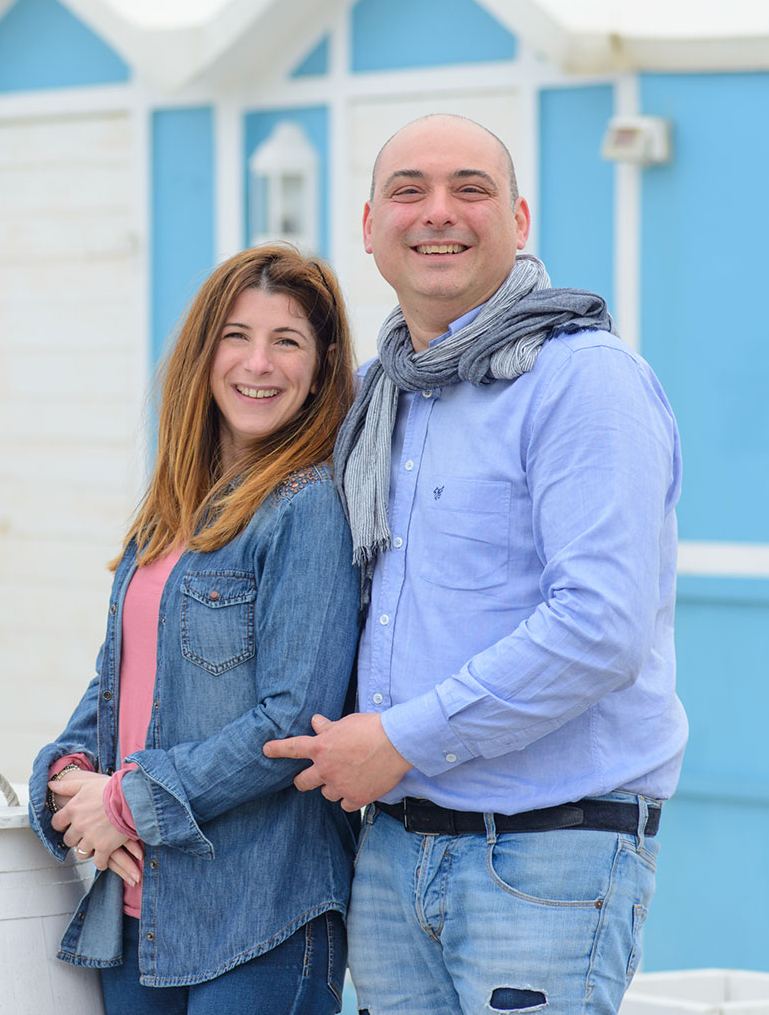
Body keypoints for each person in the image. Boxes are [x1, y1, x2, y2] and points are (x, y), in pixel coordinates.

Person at [265, 114, 687, 1015]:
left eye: (470, 188)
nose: (438, 213)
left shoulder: (583, 382)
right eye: (408, 191)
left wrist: (399, 740)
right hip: (393, 849)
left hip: (544, 852)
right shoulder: (383, 400)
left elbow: (599, 628)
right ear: (369, 225)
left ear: (521, 219)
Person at [28, 244, 363, 1014]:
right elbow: (122, 677)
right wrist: (69, 772)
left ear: (320, 368)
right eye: (237, 336)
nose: (259, 363)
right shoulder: (173, 511)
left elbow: (289, 722)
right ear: (203, 351)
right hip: (139, 910)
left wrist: (126, 800)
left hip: (258, 916)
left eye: (288, 342)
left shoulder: (306, 506)